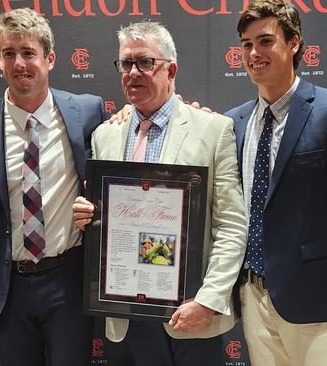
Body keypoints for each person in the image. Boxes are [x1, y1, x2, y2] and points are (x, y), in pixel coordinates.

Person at [72, 21, 246, 366]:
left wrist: (209, 300)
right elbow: (104, 219)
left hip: (190, 312)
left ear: (171, 69)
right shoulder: (105, 136)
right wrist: (88, 216)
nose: (133, 72)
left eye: (145, 62)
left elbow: (231, 226)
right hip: (125, 313)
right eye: (126, 63)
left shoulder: (213, 130)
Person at [224, 1, 327, 365]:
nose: (254, 53)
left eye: (265, 41)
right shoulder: (234, 123)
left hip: (316, 302)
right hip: (253, 297)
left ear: (293, 43)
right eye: (246, 44)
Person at [0, 8, 106, 366]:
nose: (19, 63)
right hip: (7, 289)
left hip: (70, 281)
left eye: (29, 53)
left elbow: (127, 146)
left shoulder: (88, 113)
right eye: (9, 53)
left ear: (49, 59)